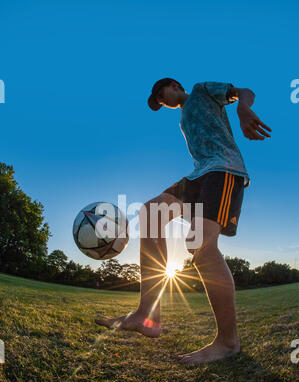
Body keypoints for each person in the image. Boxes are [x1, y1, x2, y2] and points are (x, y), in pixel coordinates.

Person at [95, 78, 272, 364]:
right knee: (150, 215)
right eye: (158, 102)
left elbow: (245, 91)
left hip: (224, 169)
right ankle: (147, 316)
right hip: (198, 175)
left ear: (173, 86)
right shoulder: (182, 118)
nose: (161, 102)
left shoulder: (202, 90)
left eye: (160, 96)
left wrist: (242, 109)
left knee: (199, 245)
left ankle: (228, 342)